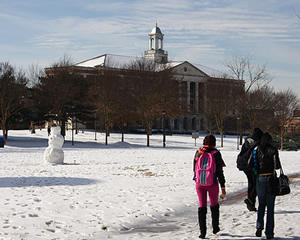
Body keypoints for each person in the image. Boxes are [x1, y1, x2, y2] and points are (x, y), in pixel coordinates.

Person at [248, 132, 281, 239]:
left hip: (260, 178)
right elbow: (277, 166)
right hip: (271, 178)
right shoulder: (273, 150)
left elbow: (249, 164)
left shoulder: (256, 149)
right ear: (269, 140)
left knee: (261, 204)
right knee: (270, 207)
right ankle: (269, 233)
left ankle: (259, 225)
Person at [193, 134, 226, 239]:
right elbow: (219, 171)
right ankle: (215, 227)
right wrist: (223, 187)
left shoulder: (199, 152)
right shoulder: (216, 153)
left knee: (202, 206)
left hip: (200, 184)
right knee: (214, 205)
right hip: (212, 183)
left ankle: (202, 232)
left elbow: (194, 169)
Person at [237, 127, 263, 211]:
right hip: (253, 166)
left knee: (251, 183)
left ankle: (251, 204)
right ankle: (250, 199)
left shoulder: (247, 141)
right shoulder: (258, 142)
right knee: (256, 184)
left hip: (245, 166)